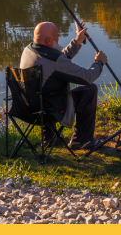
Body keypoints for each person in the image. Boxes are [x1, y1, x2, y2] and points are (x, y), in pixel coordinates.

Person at [20, 21, 108, 150]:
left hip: (29, 109)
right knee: (90, 90)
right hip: (51, 112)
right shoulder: (55, 61)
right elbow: (88, 77)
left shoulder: (29, 50)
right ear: (49, 40)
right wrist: (99, 63)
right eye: (56, 34)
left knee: (47, 86)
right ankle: (81, 140)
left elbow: (58, 59)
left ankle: (49, 137)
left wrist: (77, 41)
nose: (59, 35)